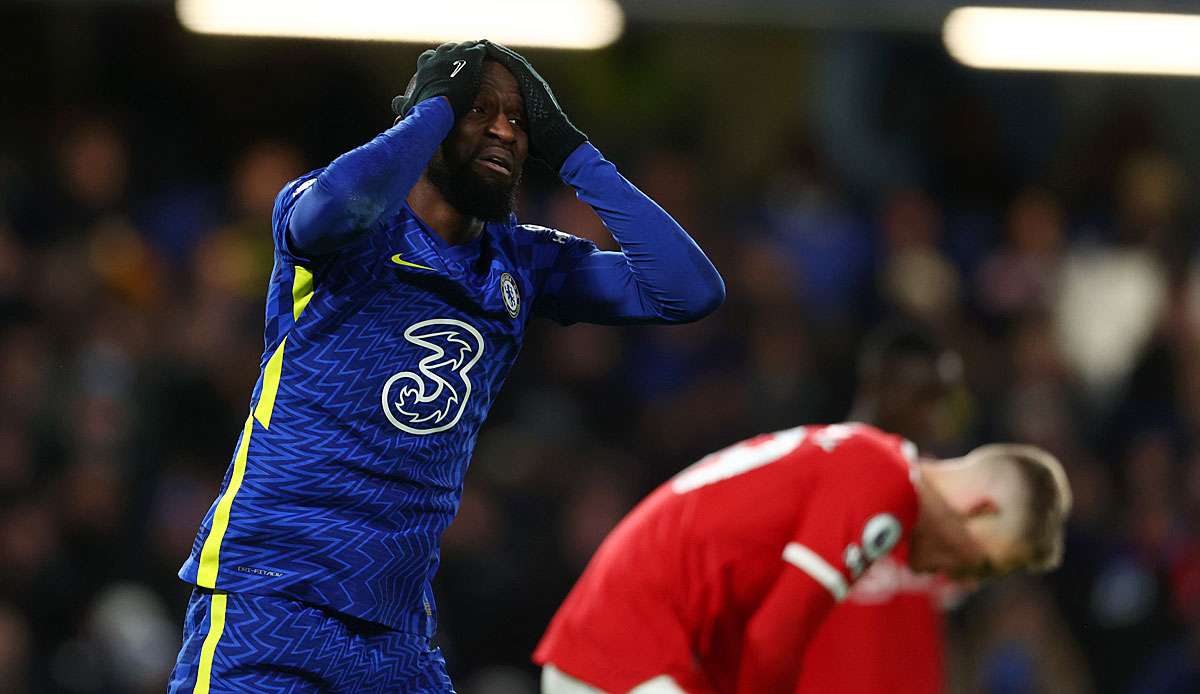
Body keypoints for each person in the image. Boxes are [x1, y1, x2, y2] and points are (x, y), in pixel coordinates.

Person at [168, 40, 724, 693]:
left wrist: (572, 150)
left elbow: (688, 290)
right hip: (272, 602)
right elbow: (339, 207)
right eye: (479, 110)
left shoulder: (522, 263)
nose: (504, 130)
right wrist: (433, 110)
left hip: (397, 635)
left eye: (520, 119)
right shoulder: (341, 225)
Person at [534, 423, 1071, 694]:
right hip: (631, 650)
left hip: (625, 641)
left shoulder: (870, 456)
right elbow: (776, 639)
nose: (961, 579)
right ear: (979, 511)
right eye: (983, 564)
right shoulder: (885, 487)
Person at [796, 322, 963, 694]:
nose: (936, 416)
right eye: (923, 397)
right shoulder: (812, 478)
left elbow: (945, 623)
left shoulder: (938, 494)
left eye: (943, 400)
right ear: (877, 385)